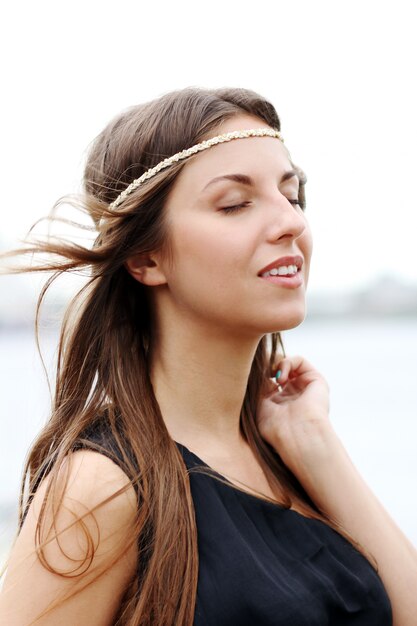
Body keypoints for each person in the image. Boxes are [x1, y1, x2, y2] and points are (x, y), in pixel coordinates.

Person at [0, 86, 415, 626]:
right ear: (146, 258)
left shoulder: (284, 454)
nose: (290, 222)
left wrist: (315, 446)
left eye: (292, 196)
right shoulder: (103, 487)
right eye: (235, 204)